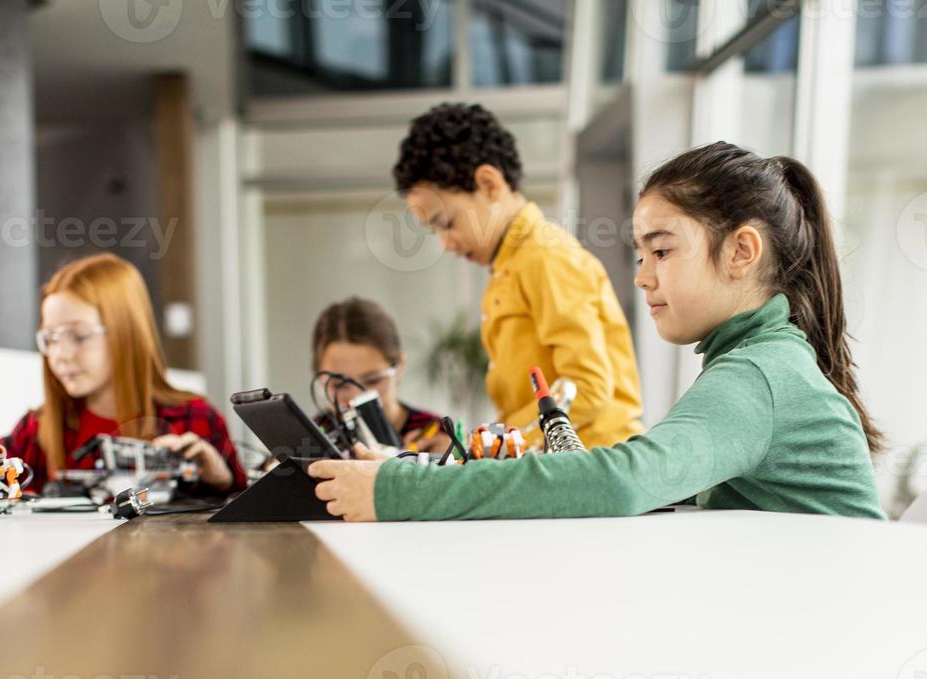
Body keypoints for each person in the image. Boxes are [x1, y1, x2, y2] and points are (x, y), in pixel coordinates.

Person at [308, 142, 885, 523]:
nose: (641, 276)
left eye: (661, 250)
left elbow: (621, 482)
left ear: (741, 251)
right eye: (640, 253)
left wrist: (396, 492)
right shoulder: (759, 361)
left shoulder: (759, 376)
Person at [393, 102, 644, 449]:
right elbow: (528, 411)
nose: (446, 244)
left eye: (446, 223)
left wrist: (490, 446)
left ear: (489, 183)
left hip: (591, 471)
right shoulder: (510, 267)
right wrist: (471, 445)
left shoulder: (544, 256)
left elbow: (586, 387)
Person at [0, 253, 246, 496]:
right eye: (50, 338)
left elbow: (242, 512)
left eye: (79, 336)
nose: (59, 355)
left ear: (125, 334)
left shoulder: (195, 419)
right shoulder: (35, 430)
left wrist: (221, 481)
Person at [310, 297, 450, 455]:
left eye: (373, 380)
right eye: (339, 384)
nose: (356, 397)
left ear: (399, 368)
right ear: (319, 379)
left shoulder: (439, 435)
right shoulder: (311, 437)